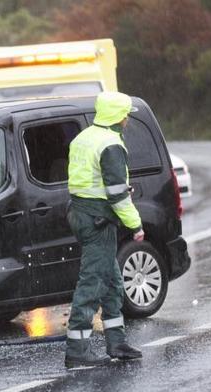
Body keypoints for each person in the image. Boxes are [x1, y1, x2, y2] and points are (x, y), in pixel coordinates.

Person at [64, 91, 144, 368]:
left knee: (111, 282)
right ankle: (77, 350)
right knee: (92, 283)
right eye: (125, 115)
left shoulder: (83, 138)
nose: (127, 120)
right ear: (117, 116)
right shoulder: (110, 144)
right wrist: (135, 224)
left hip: (81, 214)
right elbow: (118, 193)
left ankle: (116, 342)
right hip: (98, 219)